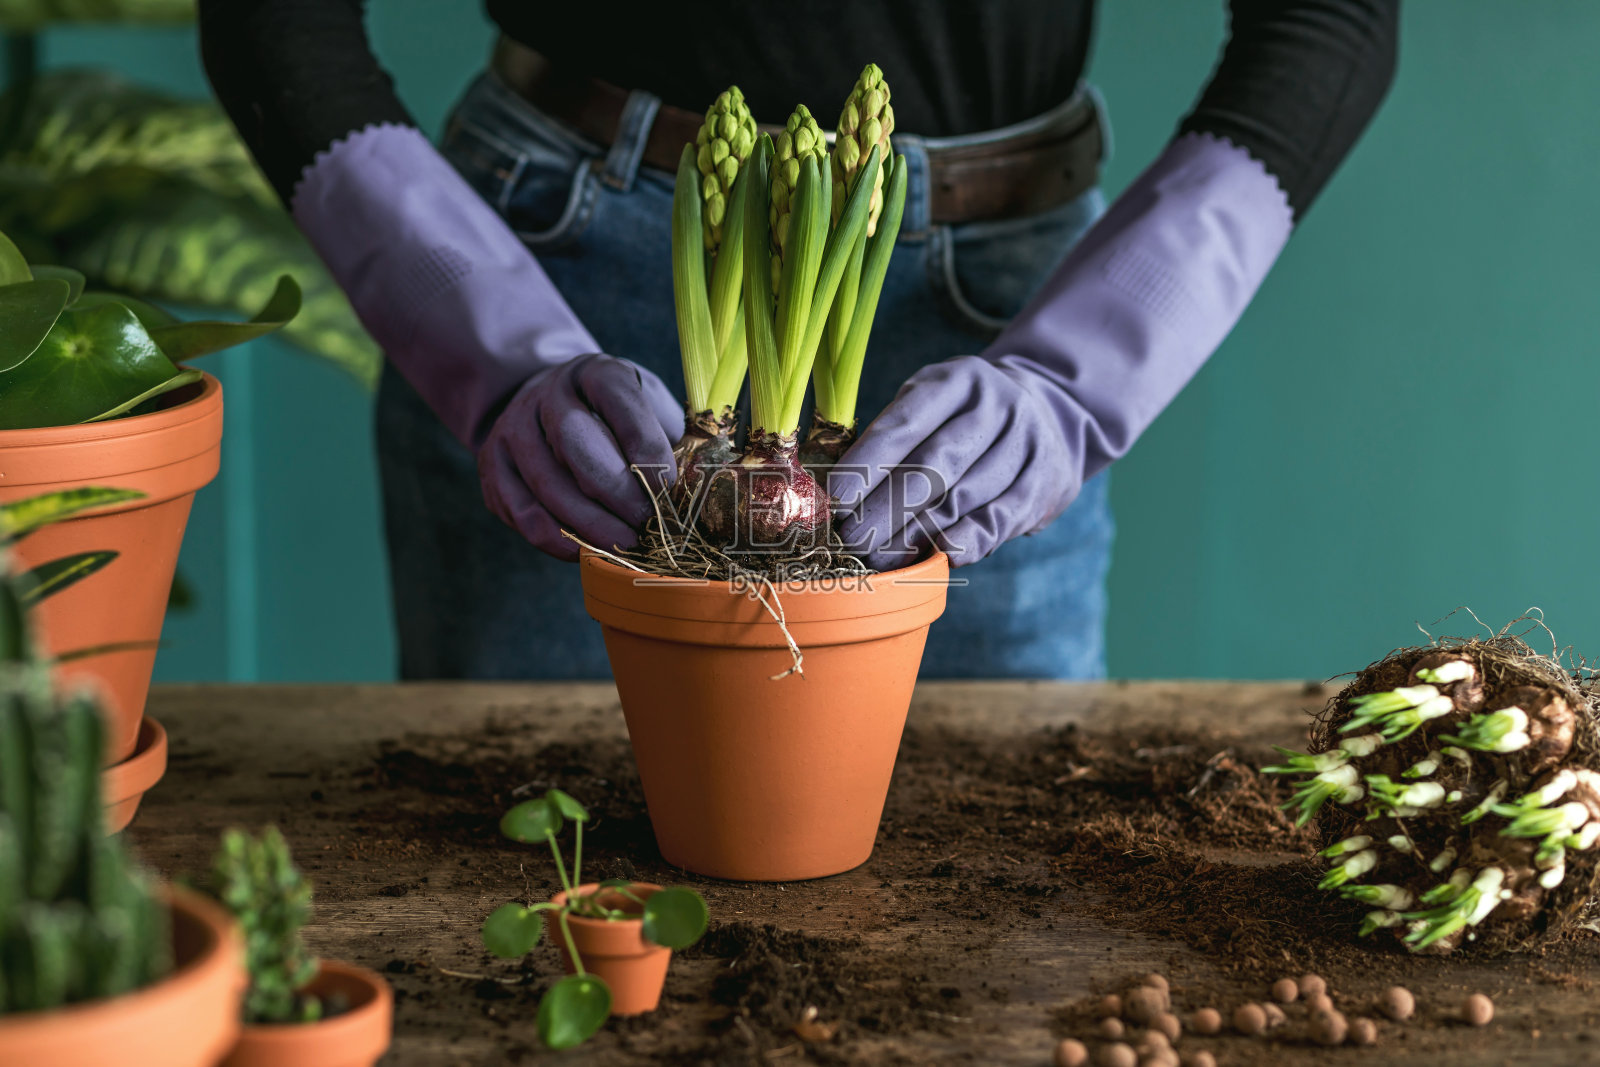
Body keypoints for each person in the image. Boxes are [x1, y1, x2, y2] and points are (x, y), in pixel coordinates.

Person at [198, 1, 1397, 681]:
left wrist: (1080, 375)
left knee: (993, 905)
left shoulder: (1044, 387)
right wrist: (491, 348)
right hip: (552, 277)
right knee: (527, 867)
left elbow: (1332, 16)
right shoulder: (517, 348)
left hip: (1008, 348)